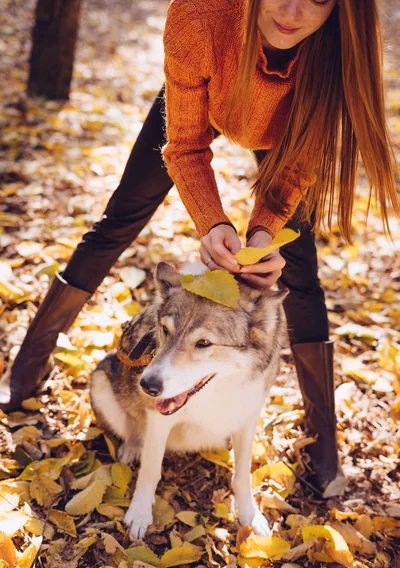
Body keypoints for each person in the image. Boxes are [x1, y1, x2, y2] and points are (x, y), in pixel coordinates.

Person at [1, 0, 398, 494]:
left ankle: (322, 440)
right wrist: (212, 222)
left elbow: (296, 170)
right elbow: (186, 146)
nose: (293, 12)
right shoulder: (200, 14)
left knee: (300, 270)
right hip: (202, 103)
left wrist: (261, 237)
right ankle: (26, 369)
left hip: (284, 135)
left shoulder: (340, 50)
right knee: (118, 222)